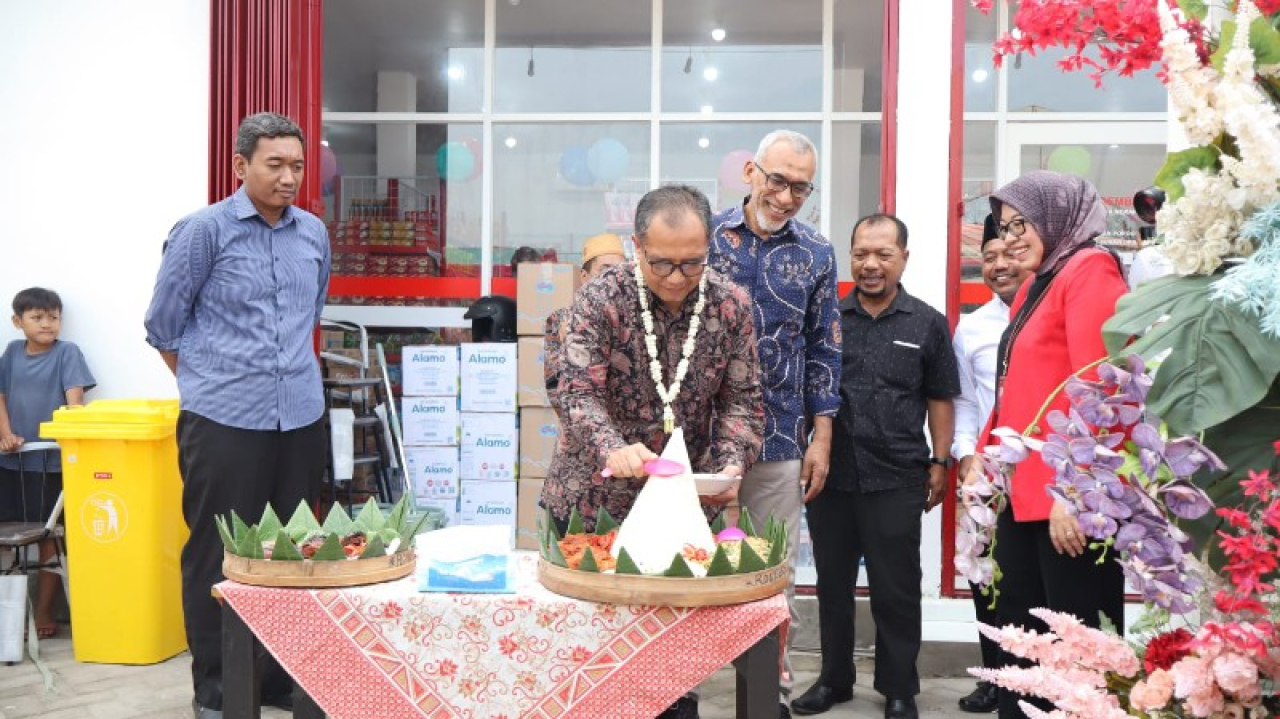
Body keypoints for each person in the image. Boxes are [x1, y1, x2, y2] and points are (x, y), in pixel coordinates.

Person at [540, 185, 764, 719]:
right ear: (637, 245)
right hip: (591, 498)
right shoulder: (601, 299)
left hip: (680, 504)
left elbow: (744, 400)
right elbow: (575, 389)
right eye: (662, 262)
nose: (675, 277)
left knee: (668, 659)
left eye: (691, 263)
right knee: (587, 656)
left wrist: (732, 460)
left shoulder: (731, 305)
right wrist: (612, 448)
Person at [144, 112, 330, 719]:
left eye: (296, 166)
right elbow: (163, 325)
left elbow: (311, 315)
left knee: (292, 550)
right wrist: (212, 385)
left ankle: (276, 679)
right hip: (223, 421)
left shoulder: (312, 234)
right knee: (217, 555)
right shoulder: (203, 232)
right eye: (274, 164)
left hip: (299, 417)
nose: (287, 178)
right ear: (240, 166)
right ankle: (219, 692)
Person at [968, 171, 1128, 719]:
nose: (1010, 237)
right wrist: (984, 465)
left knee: (1074, 648)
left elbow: (1101, 385)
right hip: (1022, 495)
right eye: (1005, 225)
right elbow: (1014, 389)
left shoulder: (1091, 270)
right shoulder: (1039, 284)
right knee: (1022, 641)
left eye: (1022, 223)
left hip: (1065, 502)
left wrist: (1075, 491)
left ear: (1058, 216)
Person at [793, 214, 958, 719]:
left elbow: (940, 397)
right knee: (832, 589)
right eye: (861, 253)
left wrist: (940, 459)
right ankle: (834, 681)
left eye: (883, 255)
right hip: (831, 477)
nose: (870, 264)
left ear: (903, 258)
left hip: (898, 476)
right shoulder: (826, 318)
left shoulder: (927, 322)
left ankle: (900, 688)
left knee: (897, 589)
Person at [709, 129, 840, 719]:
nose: (786, 196)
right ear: (750, 173)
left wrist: (824, 436)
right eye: (778, 180)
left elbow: (824, 348)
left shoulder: (816, 252)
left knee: (772, 571)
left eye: (801, 188)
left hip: (784, 434)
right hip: (698, 438)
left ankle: (771, 698)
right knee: (682, 561)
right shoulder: (704, 239)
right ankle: (675, 692)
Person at [949, 215, 1028, 714]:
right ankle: (994, 675)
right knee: (986, 579)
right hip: (988, 476)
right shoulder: (972, 328)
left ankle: (1029, 678)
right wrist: (966, 457)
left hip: (1041, 474)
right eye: (989, 258)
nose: (998, 266)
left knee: (1027, 577)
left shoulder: (1047, 317)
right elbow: (964, 405)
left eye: (1008, 255)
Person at [0, 287, 96, 640]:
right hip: (13, 462)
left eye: (53, 317)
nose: (47, 324)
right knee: (7, 537)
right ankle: (9, 617)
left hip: (51, 464)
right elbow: (2, 395)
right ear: (18, 321)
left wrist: (70, 429)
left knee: (51, 537)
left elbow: (75, 404)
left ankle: (43, 611)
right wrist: (6, 434)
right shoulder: (11, 353)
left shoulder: (66, 353)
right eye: (37, 318)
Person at [543, 232, 627, 415]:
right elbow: (555, 389)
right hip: (582, 430)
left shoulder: (635, 321)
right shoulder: (561, 320)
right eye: (605, 271)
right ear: (584, 276)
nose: (613, 280)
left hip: (630, 437)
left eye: (620, 272)